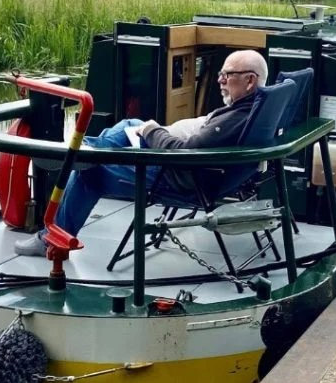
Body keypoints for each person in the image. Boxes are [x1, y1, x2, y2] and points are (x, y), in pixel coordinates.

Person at [14, 50, 268, 255]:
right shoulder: (257, 109)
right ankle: (84, 152)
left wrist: (153, 132)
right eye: (220, 74)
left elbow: (184, 153)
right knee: (129, 124)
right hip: (196, 170)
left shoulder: (236, 118)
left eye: (227, 75)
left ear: (249, 80)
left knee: (89, 174)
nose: (220, 81)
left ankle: (54, 231)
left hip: (178, 174)